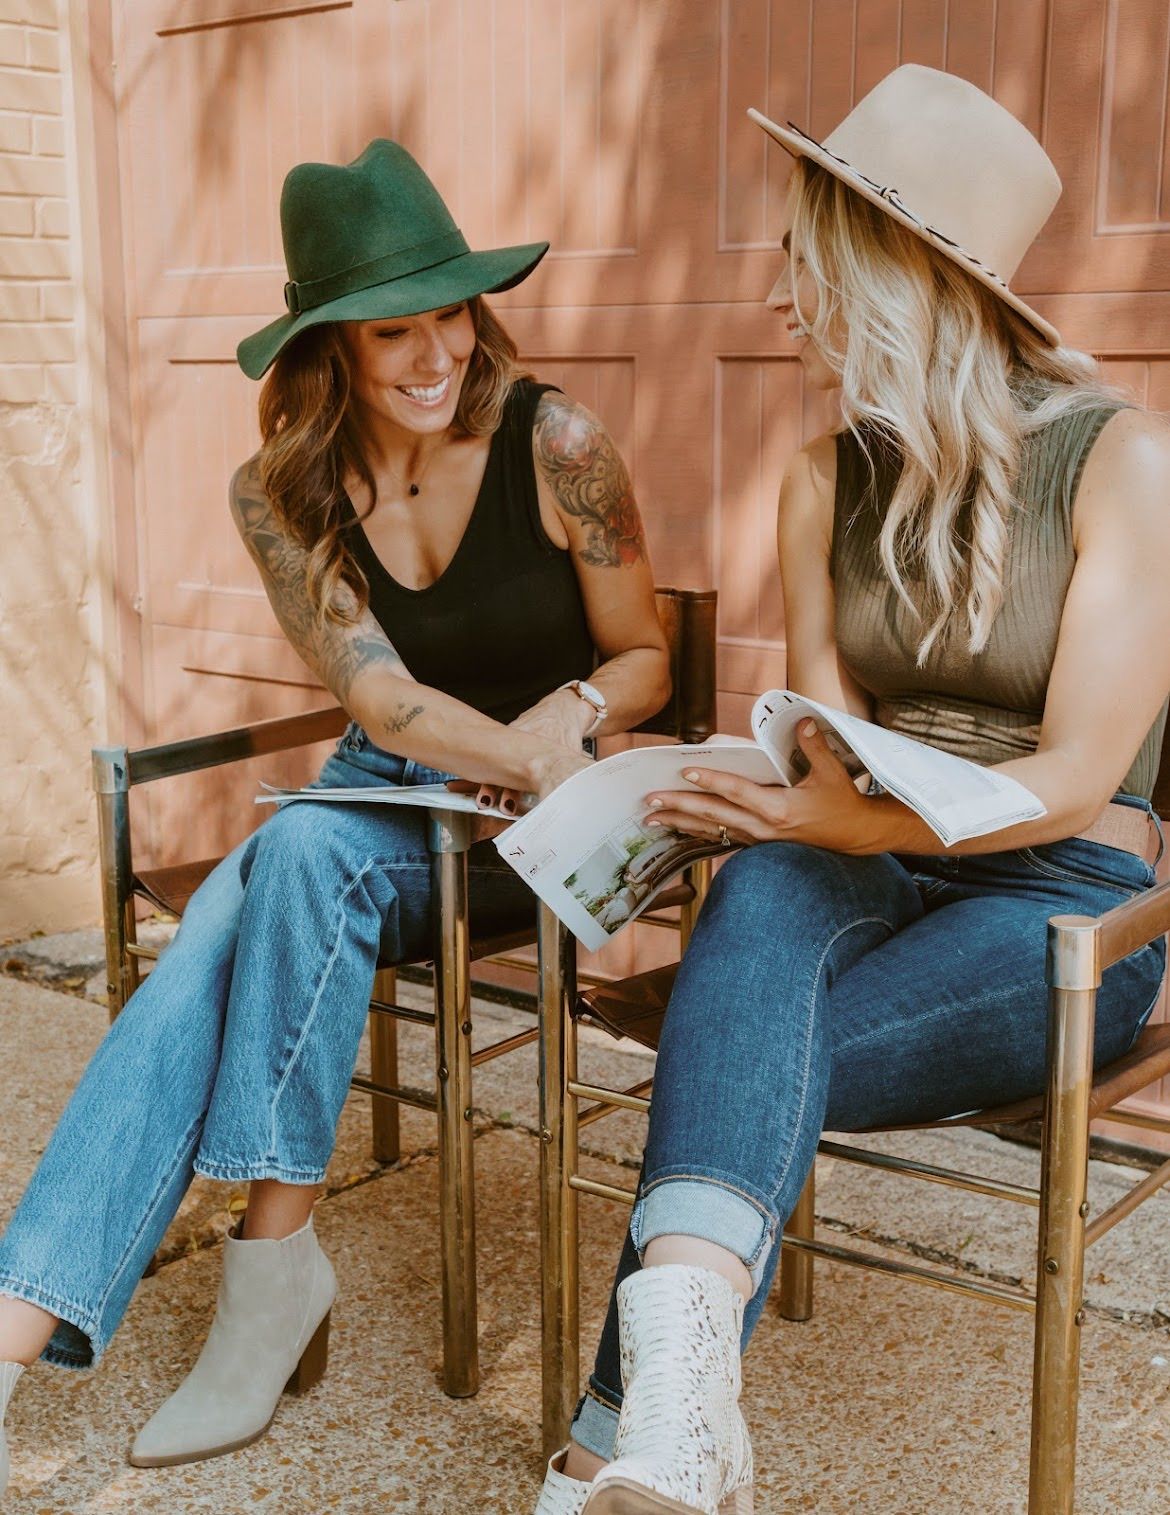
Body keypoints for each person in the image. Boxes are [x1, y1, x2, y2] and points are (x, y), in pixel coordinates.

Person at [535, 66, 1170, 1515]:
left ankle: (610, 1448)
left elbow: (1077, 778)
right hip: (873, 866)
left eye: (800, 259)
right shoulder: (822, 476)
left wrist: (843, 818)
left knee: (731, 1051)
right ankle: (675, 1446)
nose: (777, 297)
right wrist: (723, 793)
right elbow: (825, 738)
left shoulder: (1122, 463)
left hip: (1065, 912)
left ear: (894, 274)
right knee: (761, 895)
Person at [0, 139, 669, 1490]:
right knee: (282, 873)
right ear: (328, 352)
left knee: (265, 879)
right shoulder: (280, 490)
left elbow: (645, 655)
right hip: (387, 804)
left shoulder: (557, 444)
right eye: (389, 332)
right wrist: (510, 752)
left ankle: (182, 1293)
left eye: (449, 316)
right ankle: (229, 1281)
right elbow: (382, 703)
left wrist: (570, 727)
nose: (435, 355)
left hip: (525, 834)